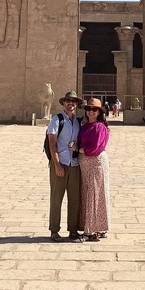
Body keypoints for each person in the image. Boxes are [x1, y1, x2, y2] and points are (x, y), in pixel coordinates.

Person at [46, 91, 83, 242]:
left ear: (76, 104)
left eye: (73, 101)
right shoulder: (57, 119)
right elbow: (52, 143)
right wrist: (57, 165)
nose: (71, 103)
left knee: (74, 199)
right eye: (68, 101)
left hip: (74, 165)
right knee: (56, 199)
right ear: (63, 103)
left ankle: (73, 231)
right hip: (60, 164)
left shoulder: (78, 122)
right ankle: (54, 230)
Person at [78, 97, 111, 241]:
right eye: (88, 109)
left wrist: (79, 150)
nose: (91, 112)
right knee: (87, 194)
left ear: (99, 112)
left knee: (94, 194)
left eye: (94, 109)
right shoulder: (84, 126)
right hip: (85, 165)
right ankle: (96, 227)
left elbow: (96, 148)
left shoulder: (100, 127)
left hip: (95, 163)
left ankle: (91, 230)